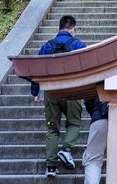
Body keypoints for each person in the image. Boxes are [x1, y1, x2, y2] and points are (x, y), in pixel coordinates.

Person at [31, 15, 87, 178]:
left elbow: (37, 70)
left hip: (51, 91)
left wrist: (35, 92)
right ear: (72, 29)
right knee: (74, 122)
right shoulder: (79, 45)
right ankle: (66, 149)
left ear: (59, 28)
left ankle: (50, 166)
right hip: (72, 91)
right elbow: (87, 67)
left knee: (52, 128)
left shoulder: (47, 46)